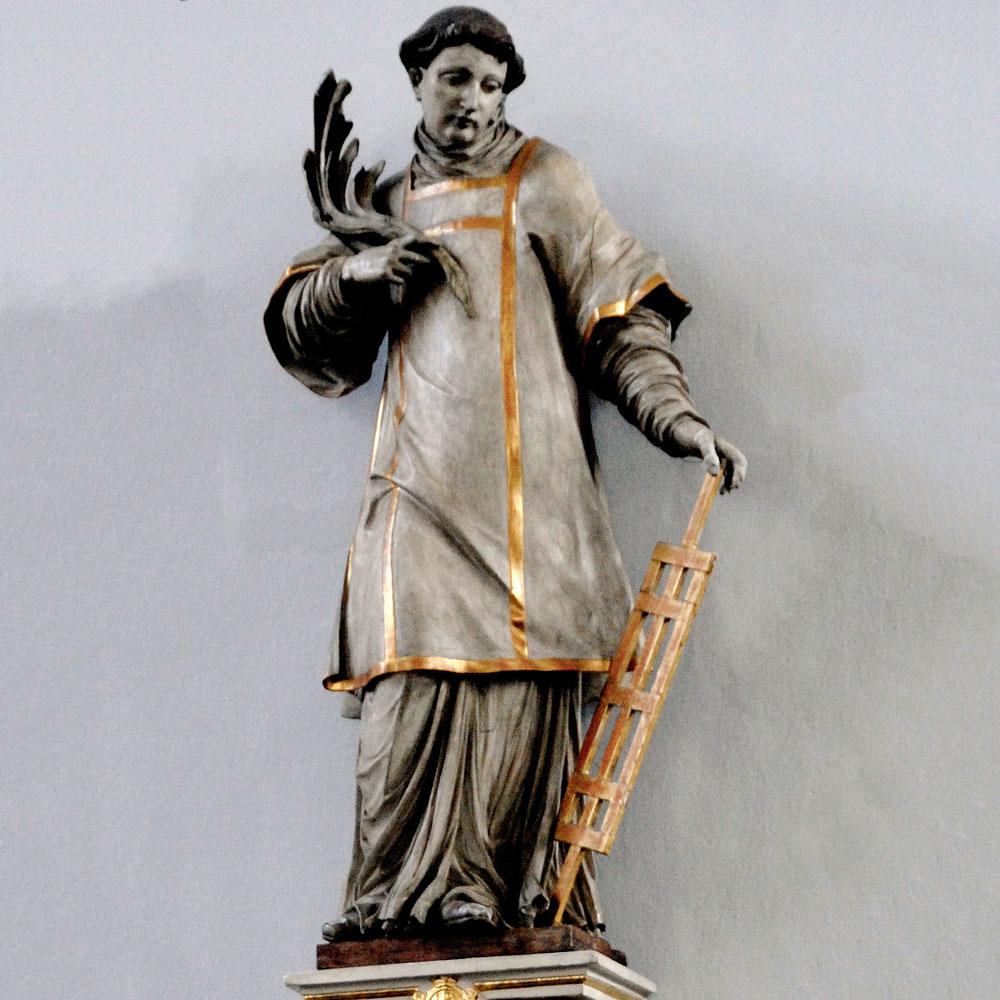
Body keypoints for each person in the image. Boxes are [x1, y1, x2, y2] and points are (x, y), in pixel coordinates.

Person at [264, 6, 746, 940]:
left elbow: (619, 323)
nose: (473, 101)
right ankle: (389, 910)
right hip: (416, 494)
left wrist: (678, 420)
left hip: (533, 509)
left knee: (517, 699)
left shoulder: (547, 180)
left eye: (490, 84)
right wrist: (364, 278)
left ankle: (490, 893)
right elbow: (303, 331)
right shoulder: (383, 203)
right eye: (455, 79)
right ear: (419, 83)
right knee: (405, 698)